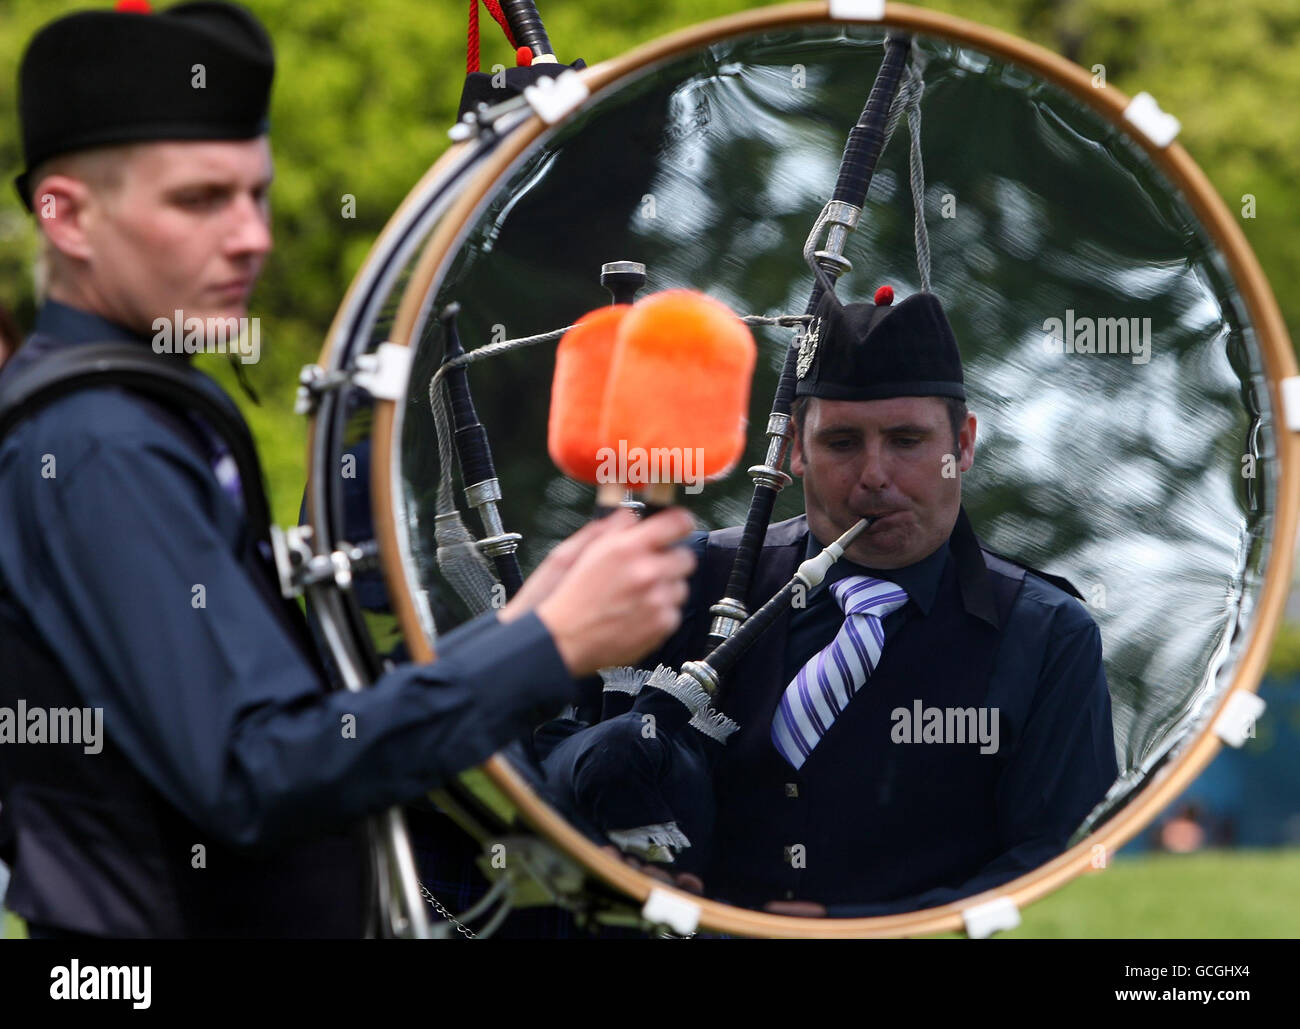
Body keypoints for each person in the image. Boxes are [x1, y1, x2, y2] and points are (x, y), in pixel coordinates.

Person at [0, 0, 695, 938]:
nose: (252, 235)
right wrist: (551, 649)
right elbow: (261, 771)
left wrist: (521, 628)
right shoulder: (98, 445)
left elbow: (300, 720)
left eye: (255, 193)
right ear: (68, 217)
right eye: (200, 200)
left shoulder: (131, 415)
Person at [543, 284, 1119, 917]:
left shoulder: (1046, 635)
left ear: (963, 445)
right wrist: (608, 822)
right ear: (795, 445)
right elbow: (539, 758)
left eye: (906, 441)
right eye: (842, 443)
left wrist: (864, 932)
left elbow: (1060, 860)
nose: (874, 474)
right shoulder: (685, 582)